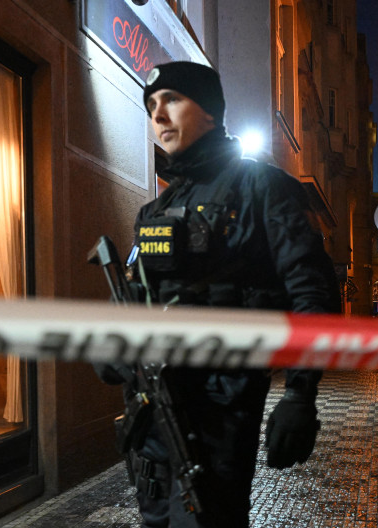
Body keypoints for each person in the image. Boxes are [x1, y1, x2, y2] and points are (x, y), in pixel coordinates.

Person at [94, 61, 340, 528]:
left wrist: (301, 394)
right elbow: (137, 291)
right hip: (152, 408)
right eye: (151, 105)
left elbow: (312, 291)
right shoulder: (158, 207)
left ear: (210, 110)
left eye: (172, 100)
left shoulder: (261, 188)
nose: (158, 116)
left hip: (219, 409)